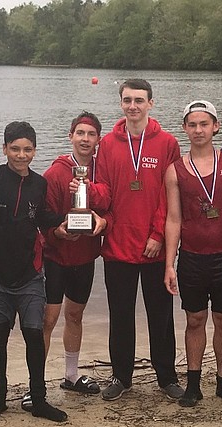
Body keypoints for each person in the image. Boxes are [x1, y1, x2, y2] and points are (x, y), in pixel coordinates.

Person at [0, 121, 103, 423]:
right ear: (4, 149)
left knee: (34, 336)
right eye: (15, 149)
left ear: (35, 151)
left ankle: (38, 398)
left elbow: (45, 216)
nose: (21, 155)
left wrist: (68, 225)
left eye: (27, 149)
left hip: (30, 274)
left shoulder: (39, 184)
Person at [79, 79, 184, 401]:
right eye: (127, 100)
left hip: (154, 246)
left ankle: (166, 376)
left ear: (151, 103)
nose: (133, 106)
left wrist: (157, 235)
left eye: (139, 100)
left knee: (161, 315)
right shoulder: (108, 144)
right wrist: (82, 189)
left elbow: (170, 197)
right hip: (118, 246)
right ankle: (121, 377)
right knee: (120, 315)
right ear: (121, 103)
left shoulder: (167, 143)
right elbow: (106, 192)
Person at [164, 100, 222, 407]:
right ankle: (193, 384)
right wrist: (169, 264)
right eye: (192, 124)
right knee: (195, 319)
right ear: (184, 128)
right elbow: (173, 219)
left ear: (215, 127)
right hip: (192, 258)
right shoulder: (174, 171)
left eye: (204, 124)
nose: (198, 130)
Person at [41, 112, 105, 396]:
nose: (85, 139)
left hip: (85, 257)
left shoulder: (101, 171)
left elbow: (109, 208)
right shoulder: (55, 173)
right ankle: (36, 382)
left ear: (98, 140)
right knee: (47, 320)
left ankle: (71, 375)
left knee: (75, 317)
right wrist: (58, 231)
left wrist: (103, 224)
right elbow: (44, 219)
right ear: (71, 136)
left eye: (91, 135)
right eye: (80, 133)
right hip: (56, 259)